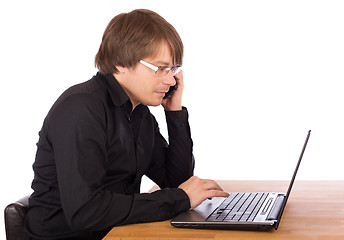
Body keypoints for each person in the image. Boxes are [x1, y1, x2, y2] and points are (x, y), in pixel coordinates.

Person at [24, 9, 229, 240]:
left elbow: (176, 182)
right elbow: (85, 211)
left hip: (116, 233)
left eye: (172, 69)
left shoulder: (139, 112)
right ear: (121, 63)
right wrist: (180, 198)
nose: (170, 80)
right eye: (160, 68)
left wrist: (174, 112)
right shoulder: (82, 108)